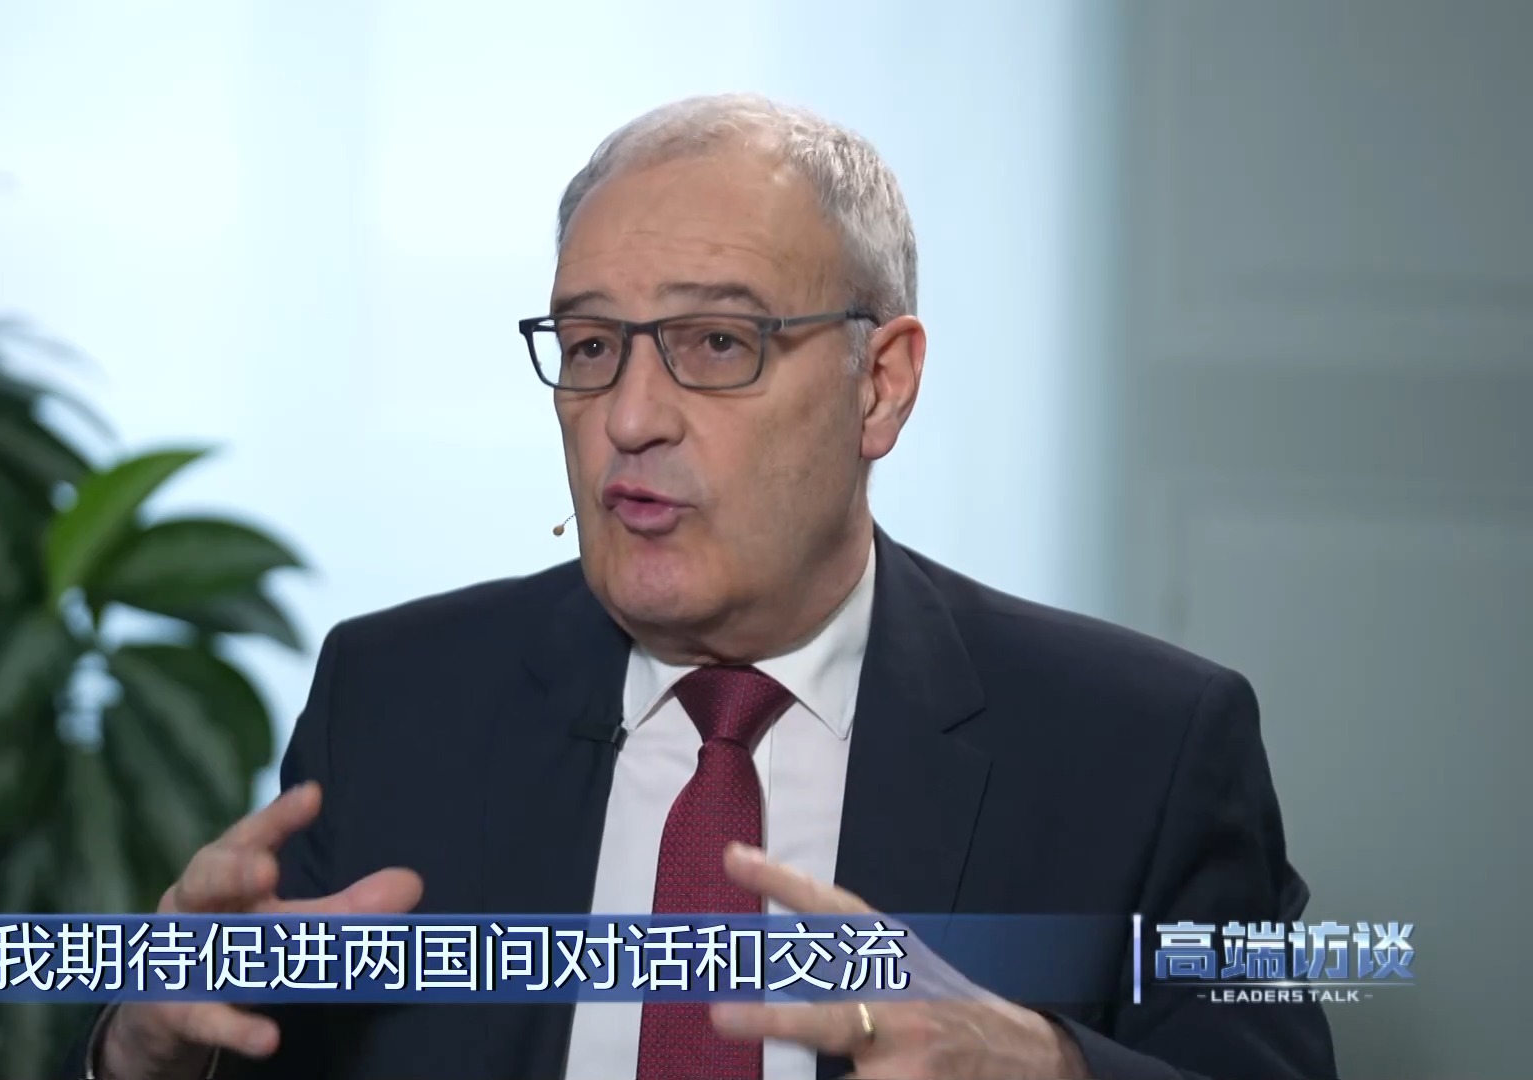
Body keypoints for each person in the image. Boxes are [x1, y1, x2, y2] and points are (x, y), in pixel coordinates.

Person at [73, 94, 1337, 1080]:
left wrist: (1051, 1066)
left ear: (881, 384)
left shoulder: (1142, 748)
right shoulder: (400, 701)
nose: (628, 417)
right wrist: (141, 1049)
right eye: (591, 346)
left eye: (717, 343)